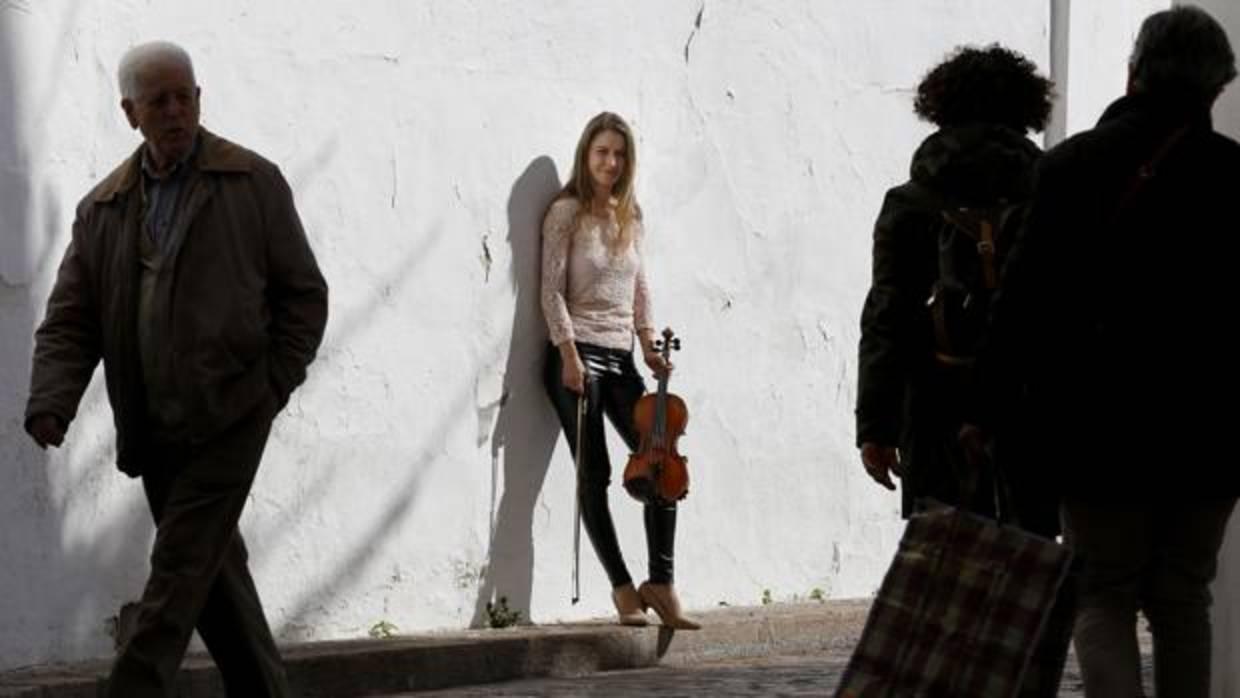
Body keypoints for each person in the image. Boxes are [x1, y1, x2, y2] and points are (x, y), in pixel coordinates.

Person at [25, 41, 328, 697]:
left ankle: (129, 688)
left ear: (199, 99)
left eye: (184, 96)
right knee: (213, 578)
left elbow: (304, 295)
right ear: (129, 112)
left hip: (232, 412)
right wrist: (52, 399)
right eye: (157, 101)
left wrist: (272, 385)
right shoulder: (102, 209)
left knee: (176, 572)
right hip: (155, 427)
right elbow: (73, 318)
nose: (174, 111)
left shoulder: (250, 183)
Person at [983, 7, 1240, 696]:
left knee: (1104, 594)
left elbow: (1022, 305)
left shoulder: (1073, 166)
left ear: (1135, 72)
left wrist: (1003, 410)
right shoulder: (1234, 175)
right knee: (1185, 598)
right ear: (1218, 87)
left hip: (1098, 425)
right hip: (1210, 430)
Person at [855, 45, 1053, 525]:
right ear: (1026, 110)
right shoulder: (1051, 194)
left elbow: (888, 315)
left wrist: (876, 427)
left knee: (942, 573)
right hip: (1028, 408)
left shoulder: (909, 203)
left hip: (933, 407)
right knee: (1028, 566)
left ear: (940, 108)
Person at [540, 111, 698, 630]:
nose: (611, 162)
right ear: (586, 156)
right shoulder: (566, 212)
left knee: (661, 466)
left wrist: (649, 345)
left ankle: (662, 582)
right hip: (576, 355)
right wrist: (567, 354)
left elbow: (640, 287)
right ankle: (623, 589)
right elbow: (550, 289)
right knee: (597, 474)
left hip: (621, 357)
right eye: (602, 152)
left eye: (620, 153)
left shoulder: (631, 215)